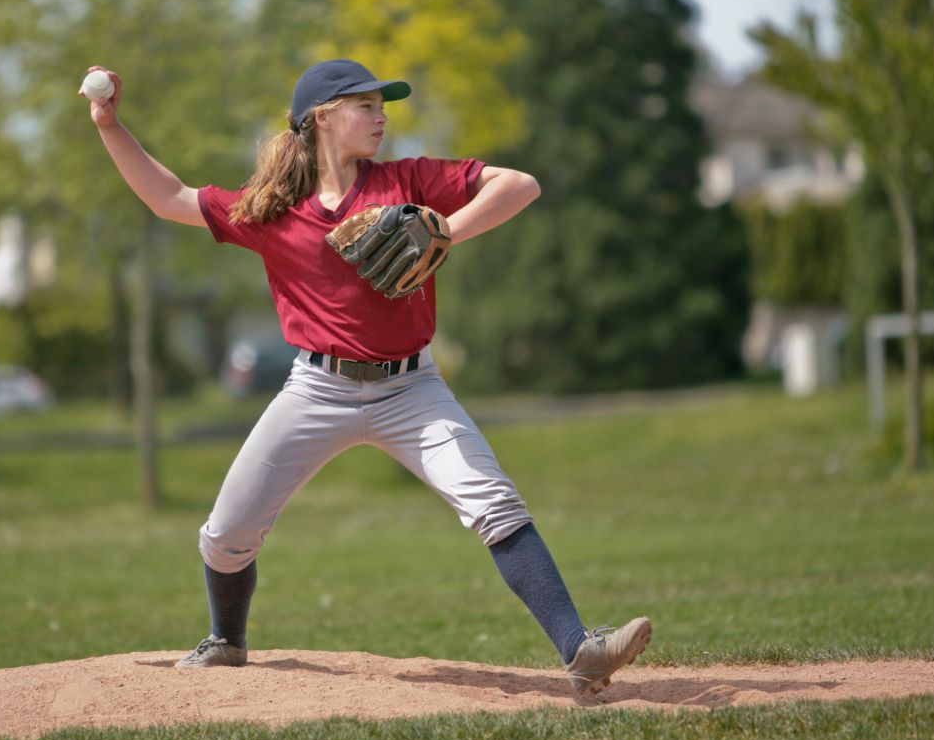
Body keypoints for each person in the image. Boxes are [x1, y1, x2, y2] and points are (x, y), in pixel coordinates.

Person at [83, 58, 651, 695]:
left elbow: (519, 184)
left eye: (385, 105)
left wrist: (444, 231)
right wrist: (109, 124)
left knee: (494, 502)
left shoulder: (407, 180)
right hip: (315, 390)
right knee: (225, 536)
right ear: (322, 117)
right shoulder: (274, 209)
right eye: (366, 105)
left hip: (412, 389)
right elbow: (169, 199)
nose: (382, 117)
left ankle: (581, 651)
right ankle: (227, 640)